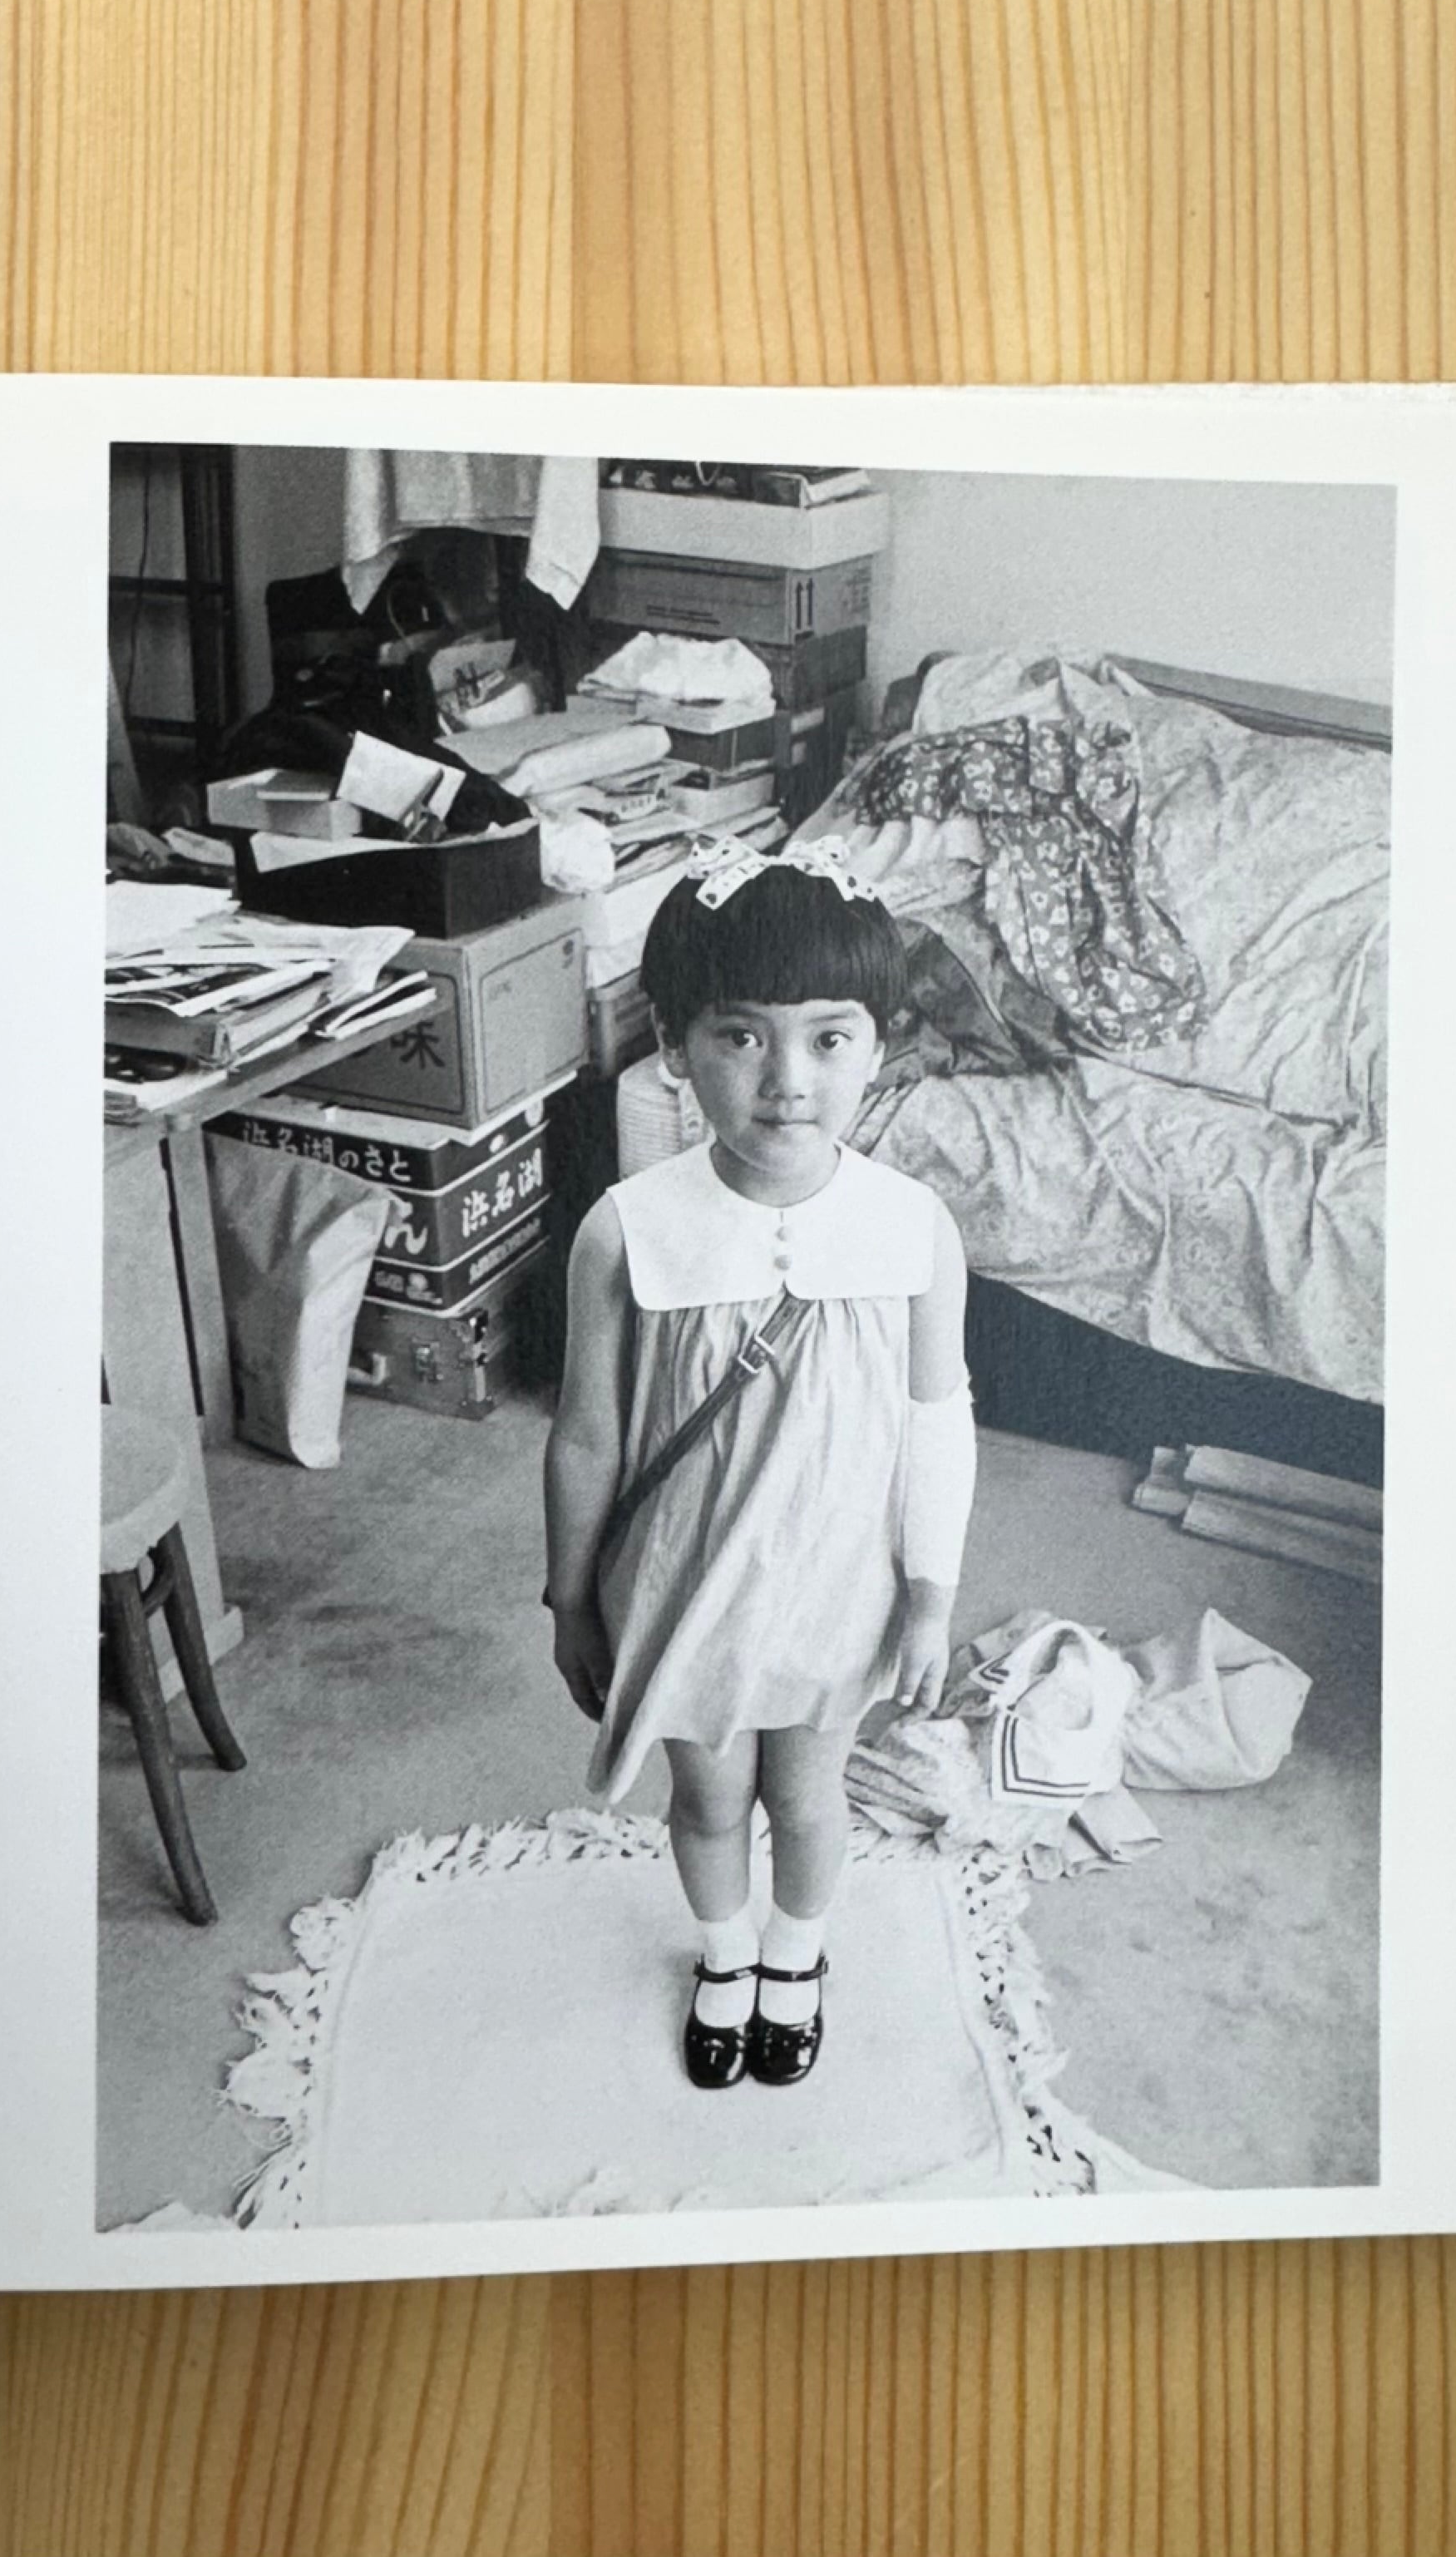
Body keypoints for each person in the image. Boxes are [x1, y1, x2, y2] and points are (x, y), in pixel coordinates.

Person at [543, 837, 977, 2091]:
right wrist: (569, 1599)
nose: (788, 1080)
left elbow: (936, 1416)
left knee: (813, 1795)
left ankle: (796, 1958)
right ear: (675, 1046)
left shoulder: (913, 1227)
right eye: (741, 1035)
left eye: (829, 1037)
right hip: (688, 1582)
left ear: (878, 1045)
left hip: (843, 1579)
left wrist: (931, 1593)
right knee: (709, 1797)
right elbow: (584, 1434)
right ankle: (725, 1957)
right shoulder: (627, 1230)